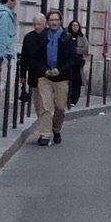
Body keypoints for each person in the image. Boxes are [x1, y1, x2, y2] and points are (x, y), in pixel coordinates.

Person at [29, 9, 75, 146]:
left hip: (61, 77)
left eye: (56, 20)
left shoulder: (67, 38)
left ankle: (56, 129)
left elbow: (72, 60)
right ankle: (44, 134)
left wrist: (59, 70)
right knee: (45, 106)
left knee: (60, 107)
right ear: (47, 22)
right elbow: (35, 57)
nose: (54, 22)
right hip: (45, 76)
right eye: (51, 20)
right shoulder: (42, 37)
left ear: (60, 21)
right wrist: (44, 70)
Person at [19, 14, 48, 114]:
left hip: (48, 75)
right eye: (34, 24)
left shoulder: (50, 36)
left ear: (45, 23)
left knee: (47, 104)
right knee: (38, 104)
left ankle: (48, 126)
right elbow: (24, 57)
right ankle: (43, 126)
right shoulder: (28, 37)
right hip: (34, 74)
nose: (36, 27)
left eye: (39, 24)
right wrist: (22, 74)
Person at [66, 20, 90, 106]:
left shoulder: (82, 36)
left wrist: (75, 50)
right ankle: (67, 98)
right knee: (68, 80)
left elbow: (86, 49)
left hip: (78, 61)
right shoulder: (67, 35)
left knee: (77, 81)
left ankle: (74, 99)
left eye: (76, 26)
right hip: (68, 61)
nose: (75, 27)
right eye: (73, 25)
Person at [0, 0, 18, 64]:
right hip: (4, 54)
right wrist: (0, 55)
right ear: (9, 1)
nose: (15, 5)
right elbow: (1, 34)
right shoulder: (5, 15)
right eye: (14, 2)